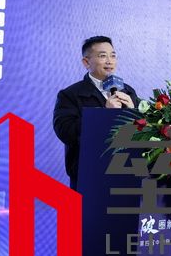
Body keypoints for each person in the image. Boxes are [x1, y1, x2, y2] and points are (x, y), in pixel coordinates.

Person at [53, 36, 138, 190]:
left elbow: (142, 131)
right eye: (102, 56)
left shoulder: (128, 91)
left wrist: (134, 112)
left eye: (113, 55)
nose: (109, 61)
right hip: (89, 175)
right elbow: (65, 132)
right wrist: (104, 114)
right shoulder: (70, 94)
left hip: (126, 171)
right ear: (86, 62)